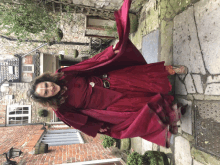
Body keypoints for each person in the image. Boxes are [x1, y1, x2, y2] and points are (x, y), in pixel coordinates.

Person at [28, 0, 188, 148]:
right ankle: (173, 111)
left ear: (48, 80)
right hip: (110, 105)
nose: (50, 89)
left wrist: (109, 53)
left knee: (144, 77)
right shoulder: (61, 109)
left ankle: (171, 70)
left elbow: (87, 65)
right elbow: (81, 123)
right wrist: (100, 127)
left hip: (111, 81)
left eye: (46, 85)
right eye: (46, 93)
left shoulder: (62, 74)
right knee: (142, 105)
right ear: (47, 98)